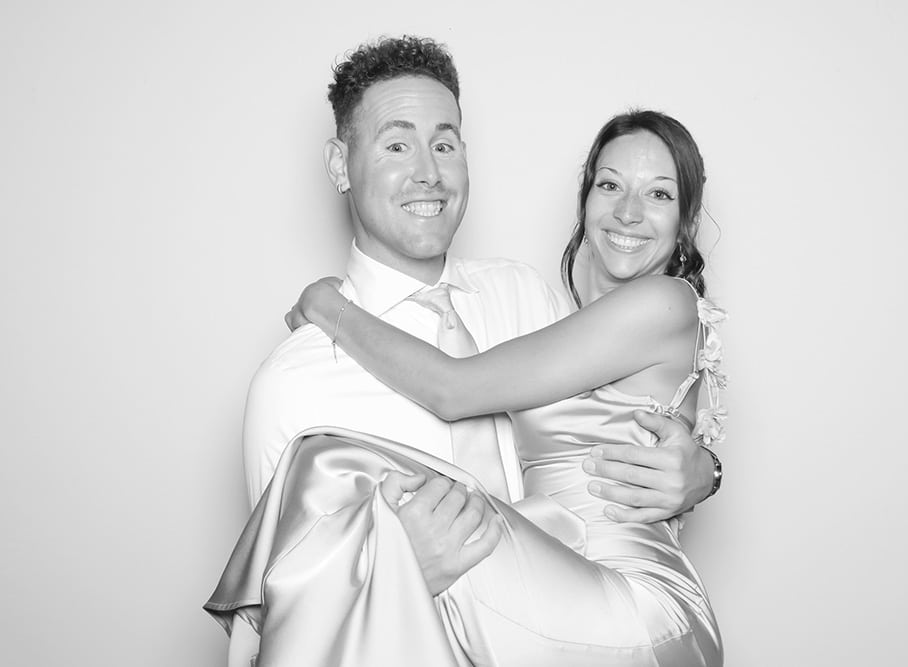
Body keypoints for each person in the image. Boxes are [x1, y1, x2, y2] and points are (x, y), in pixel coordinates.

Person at [206, 36, 722, 666]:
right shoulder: (291, 384)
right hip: (507, 628)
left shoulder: (525, 297)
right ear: (341, 164)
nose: (428, 170)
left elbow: (480, 394)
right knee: (323, 470)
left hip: (619, 619)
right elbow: (278, 616)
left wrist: (701, 472)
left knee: (331, 465)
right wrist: (385, 570)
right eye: (398, 145)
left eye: (444, 145)